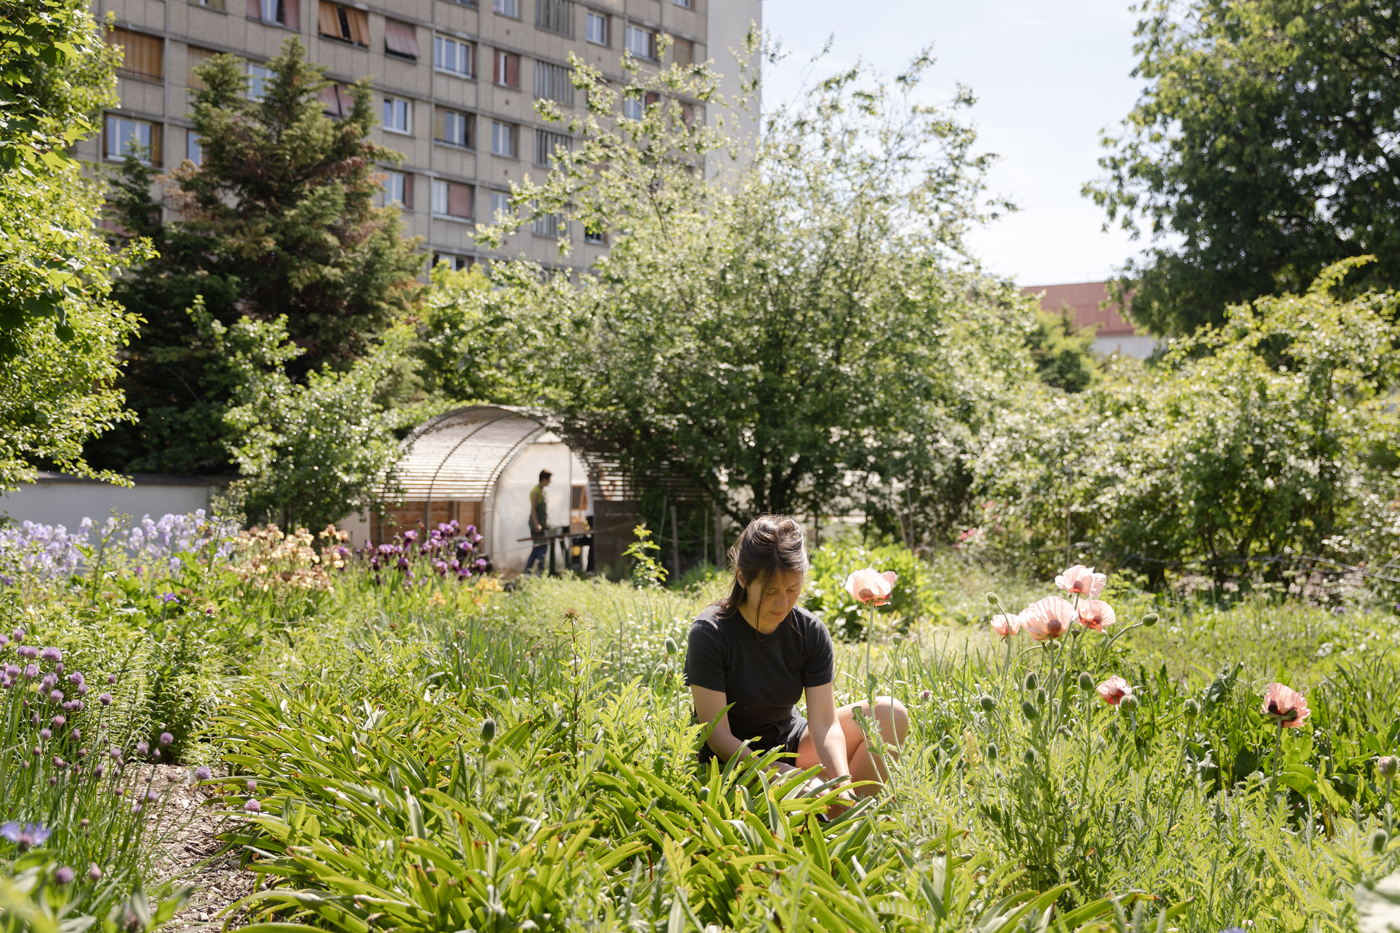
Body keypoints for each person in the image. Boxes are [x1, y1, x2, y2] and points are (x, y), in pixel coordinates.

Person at [684, 515, 909, 804]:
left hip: (789, 743)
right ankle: (818, 808)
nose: (783, 603)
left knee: (890, 712)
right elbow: (718, 736)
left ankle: (848, 815)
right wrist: (778, 772)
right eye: (772, 592)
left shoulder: (809, 631)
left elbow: (824, 725)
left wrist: (842, 784)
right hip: (730, 760)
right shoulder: (711, 633)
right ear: (742, 577)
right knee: (808, 787)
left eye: (792, 589)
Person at [525, 470, 552, 574]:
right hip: (536, 524)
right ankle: (535, 571)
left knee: (540, 548)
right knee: (539, 548)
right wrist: (537, 525)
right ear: (544, 479)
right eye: (548, 479)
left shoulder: (543, 491)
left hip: (543, 524)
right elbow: (533, 509)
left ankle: (532, 572)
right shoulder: (536, 491)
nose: (550, 482)